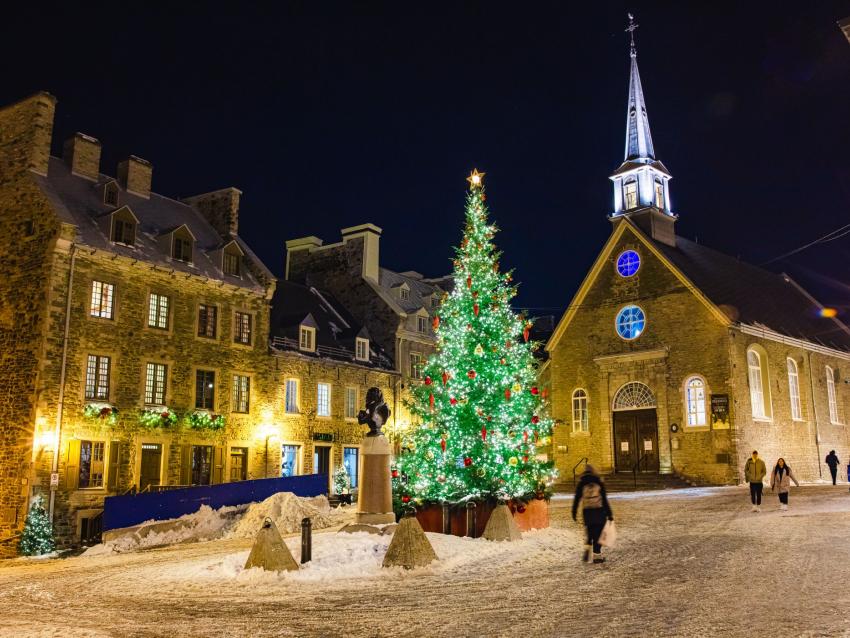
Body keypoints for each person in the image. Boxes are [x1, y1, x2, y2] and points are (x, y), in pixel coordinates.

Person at [572, 464, 614, 564]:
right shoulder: (598, 482)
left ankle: (587, 547)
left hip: (587, 511)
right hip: (599, 510)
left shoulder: (581, 483)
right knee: (598, 534)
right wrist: (609, 514)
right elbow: (604, 499)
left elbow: (577, 499)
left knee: (590, 531)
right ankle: (597, 556)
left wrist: (574, 512)